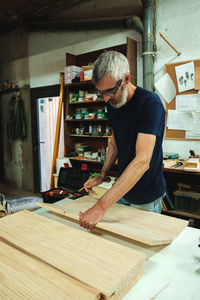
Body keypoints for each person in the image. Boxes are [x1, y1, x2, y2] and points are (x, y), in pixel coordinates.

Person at [79, 50, 166, 230]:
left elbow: (142, 161)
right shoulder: (113, 103)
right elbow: (115, 141)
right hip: (123, 192)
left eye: (109, 91)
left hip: (146, 197)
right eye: (100, 92)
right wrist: (102, 175)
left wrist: (100, 206)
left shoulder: (151, 104)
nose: (105, 99)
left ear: (126, 79)